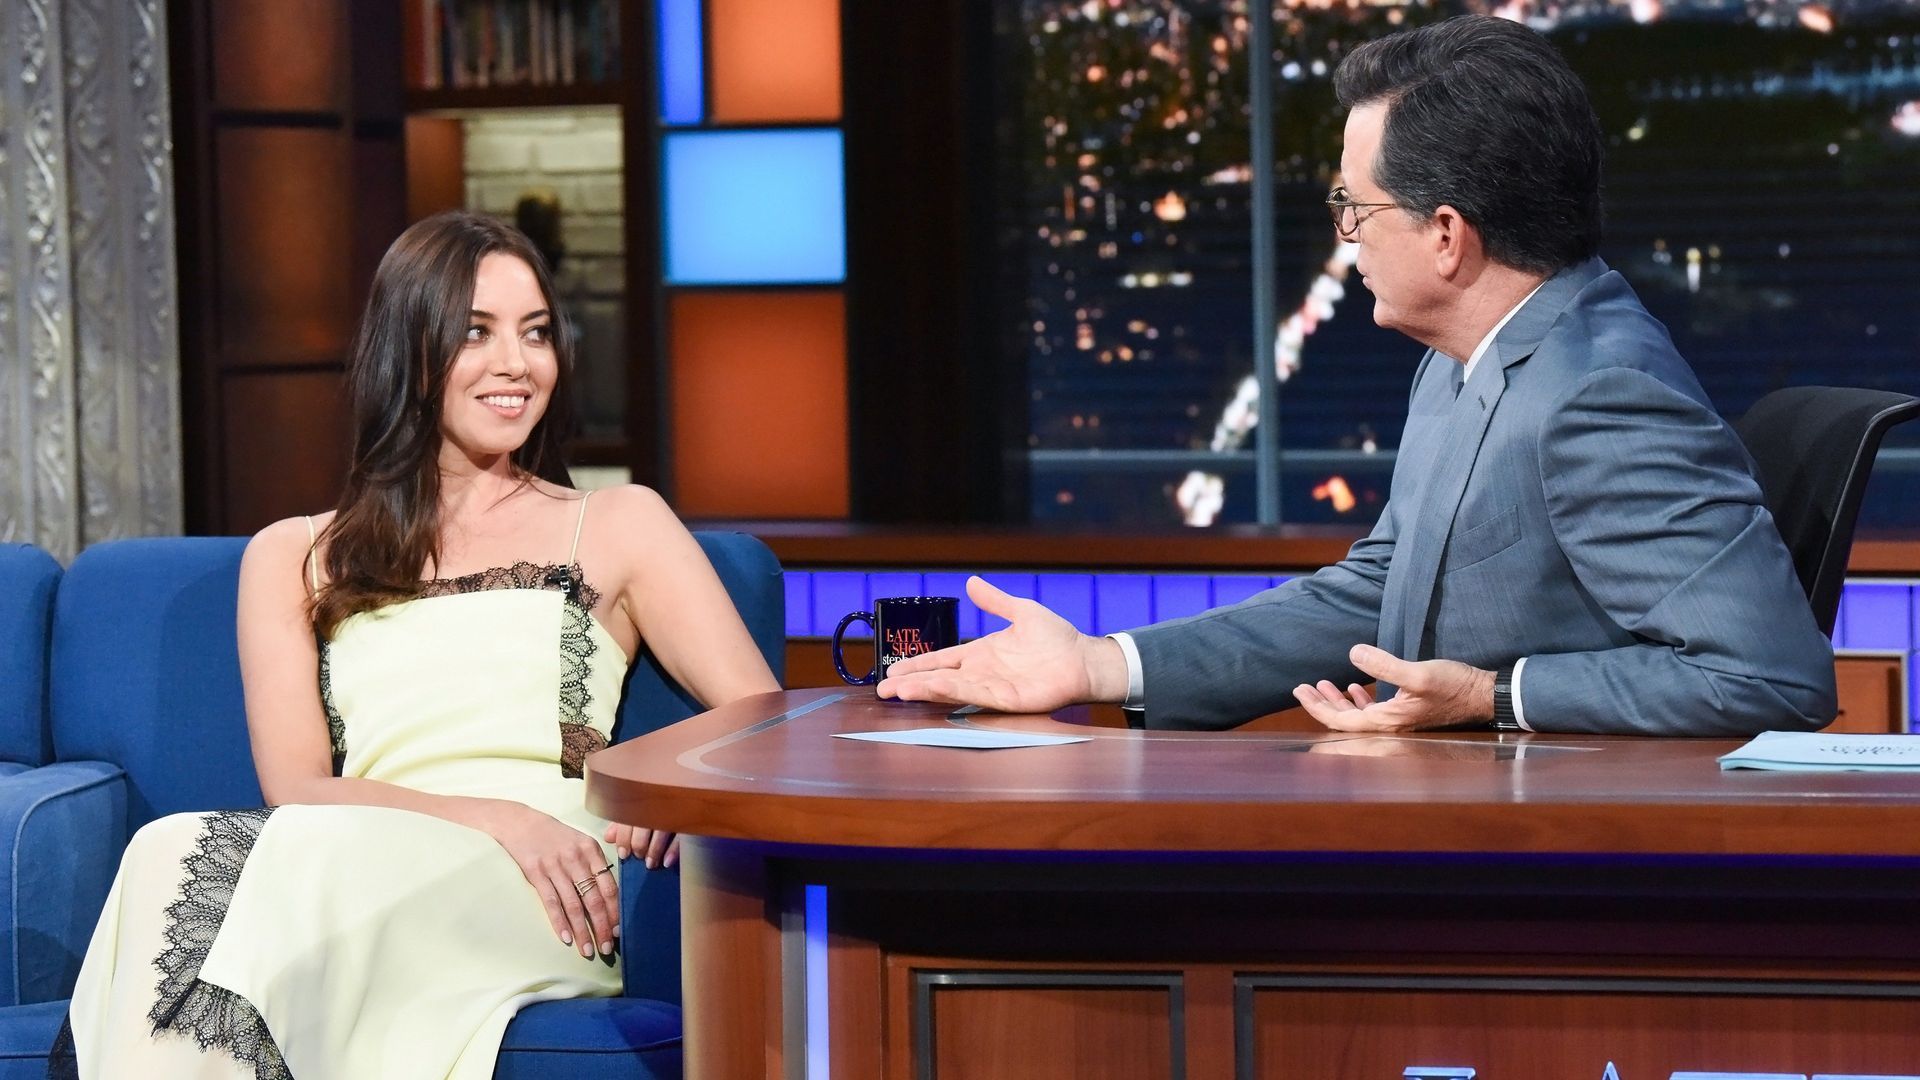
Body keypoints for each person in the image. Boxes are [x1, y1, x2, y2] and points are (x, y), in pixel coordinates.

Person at [879, 15, 1837, 737]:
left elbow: (1769, 677)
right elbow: (1377, 592)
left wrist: (1494, 694)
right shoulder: (1466, 357)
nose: (1345, 235)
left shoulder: (1598, 392)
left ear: (1448, 234)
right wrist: (1102, 666)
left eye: (1356, 207)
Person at [52, 211, 780, 1078]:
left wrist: (669, 795)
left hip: (547, 883)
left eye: (536, 333)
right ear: (410, 349)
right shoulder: (295, 554)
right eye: (476, 332)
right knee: (165, 849)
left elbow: (763, 717)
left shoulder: (620, 523)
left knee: (249, 881)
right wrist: (495, 818)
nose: (517, 363)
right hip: (361, 853)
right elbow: (297, 788)